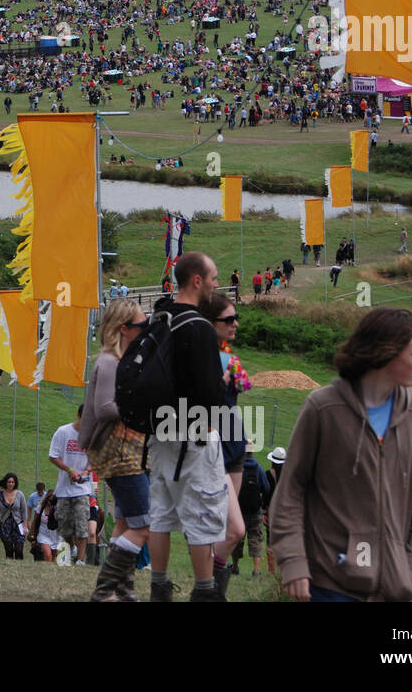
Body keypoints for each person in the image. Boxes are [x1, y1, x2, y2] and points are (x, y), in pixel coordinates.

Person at [270, 307, 412, 602]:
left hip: (393, 587)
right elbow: (290, 490)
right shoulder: (323, 408)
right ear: (386, 353)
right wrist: (293, 562)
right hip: (328, 584)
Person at [147, 251, 229, 602]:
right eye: (213, 277)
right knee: (202, 512)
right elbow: (212, 393)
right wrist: (225, 382)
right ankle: (205, 591)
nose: (216, 284)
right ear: (197, 280)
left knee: (162, 512)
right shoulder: (199, 328)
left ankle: (159, 586)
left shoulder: (158, 316)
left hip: (159, 429)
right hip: (194, 433)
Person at [78, 297, 151, 601]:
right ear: (124, 328)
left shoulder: (123, 361)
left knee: (124, 523)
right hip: (120, 454)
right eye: (141, 325)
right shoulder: (109, 362)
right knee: (146, 524)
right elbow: (106, 407)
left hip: (128, 451)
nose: (146, 329)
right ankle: (105, 589)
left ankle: (123, 590)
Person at [47, 406, 94, 566]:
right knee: (64, 526)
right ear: (78, 416)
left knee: (82, 524)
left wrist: (87, 471)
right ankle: (71, 547)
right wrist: (70, 470)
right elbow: (53, 456)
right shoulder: (63, 432)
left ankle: (80, 560)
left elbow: (95, 457)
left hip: (83, 488)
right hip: (64, 488)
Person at [231, 442, 269, 577]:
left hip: (239, 510)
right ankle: (257, 570)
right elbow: (266, 488)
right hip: (255, 511)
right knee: (256, 538)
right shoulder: (258, 469)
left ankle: (235, 567)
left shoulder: (238, 467)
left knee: (237, 539)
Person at [0, 472, 27, 560]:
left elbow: (24, 511)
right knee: (9, 550)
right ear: (5, 483)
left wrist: (25, 526)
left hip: (18, 524)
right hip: (5, 526)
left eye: (13, 482)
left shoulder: (20, 494)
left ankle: (20, 567)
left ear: (15, 483)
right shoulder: (0, 496)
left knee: (19, 549)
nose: (11, 484)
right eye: (9, 482)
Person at [262, 446, 285, 575]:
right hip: (284, 512)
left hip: (271, 512)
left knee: (270, 540)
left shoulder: (267, 475)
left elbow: (265, 494)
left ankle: (271, 570)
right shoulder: (288, 476)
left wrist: (264, 511)